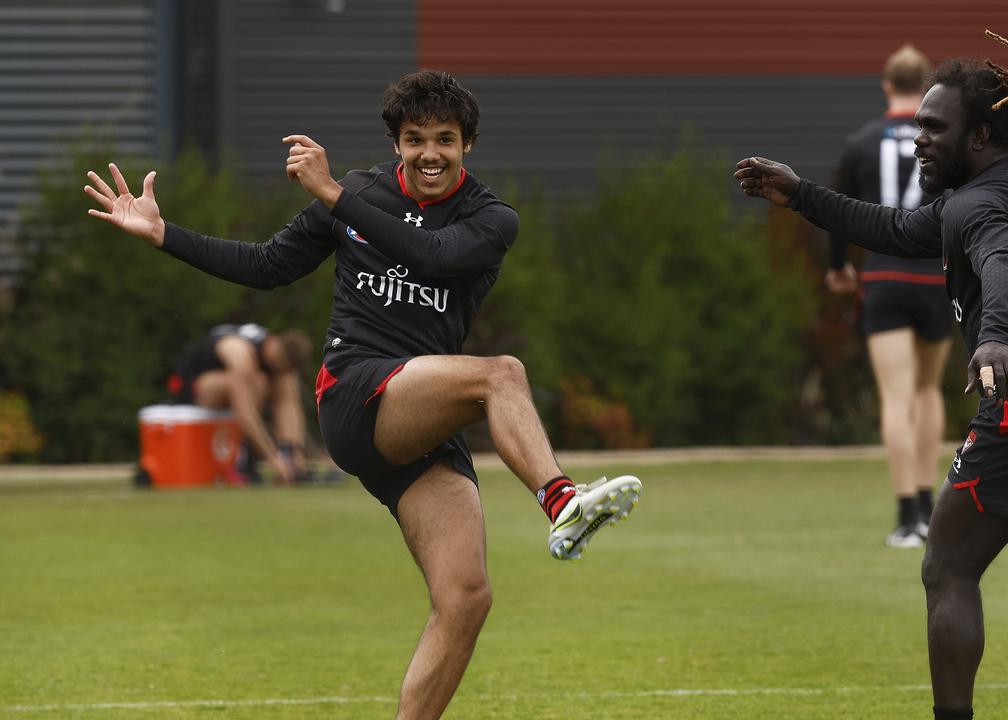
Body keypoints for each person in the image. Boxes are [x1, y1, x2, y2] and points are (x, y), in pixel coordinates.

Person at [85, 69, 642, 720]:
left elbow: (431, 255)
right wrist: (163, 234)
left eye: (445, 139)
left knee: (466, 597)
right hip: (353, 389)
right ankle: (562, 501)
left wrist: (331, 193)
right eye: (414, 139)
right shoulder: (356, 192)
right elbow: (266, 267)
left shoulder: (493, 218)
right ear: (395, 143)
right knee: (501, 374)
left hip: (420, 416)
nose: (430, 152)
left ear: (468, 145)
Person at [736, 31, 1008, 720]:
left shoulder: (978, 205)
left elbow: (1004, 266)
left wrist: (994, 340)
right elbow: (897, 230)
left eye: (933, 128)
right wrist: (803, 196)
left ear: (980, 135)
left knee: (946, 567)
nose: (919, 139)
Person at [826, 44, 953, 548]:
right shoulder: (945, 140)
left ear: (886, 86)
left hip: (884, 278)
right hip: (936, 278)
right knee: (928, 392)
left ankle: (906, 519)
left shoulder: (861, 142)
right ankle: (929, 507)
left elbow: (836, 208)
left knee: (896, 398)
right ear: (927, 88)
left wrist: (837, 268)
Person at [168, 322, 313, 484]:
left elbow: (290, 405)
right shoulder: (241, 353)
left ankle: (289, 456)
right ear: (275, 346)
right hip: (194, 388)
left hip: (234, 386)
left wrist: (294, 454)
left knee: (284, 381)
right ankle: (243, 459)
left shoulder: (277, 360)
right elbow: (244, 412)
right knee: (257, 382)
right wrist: (272, 457)